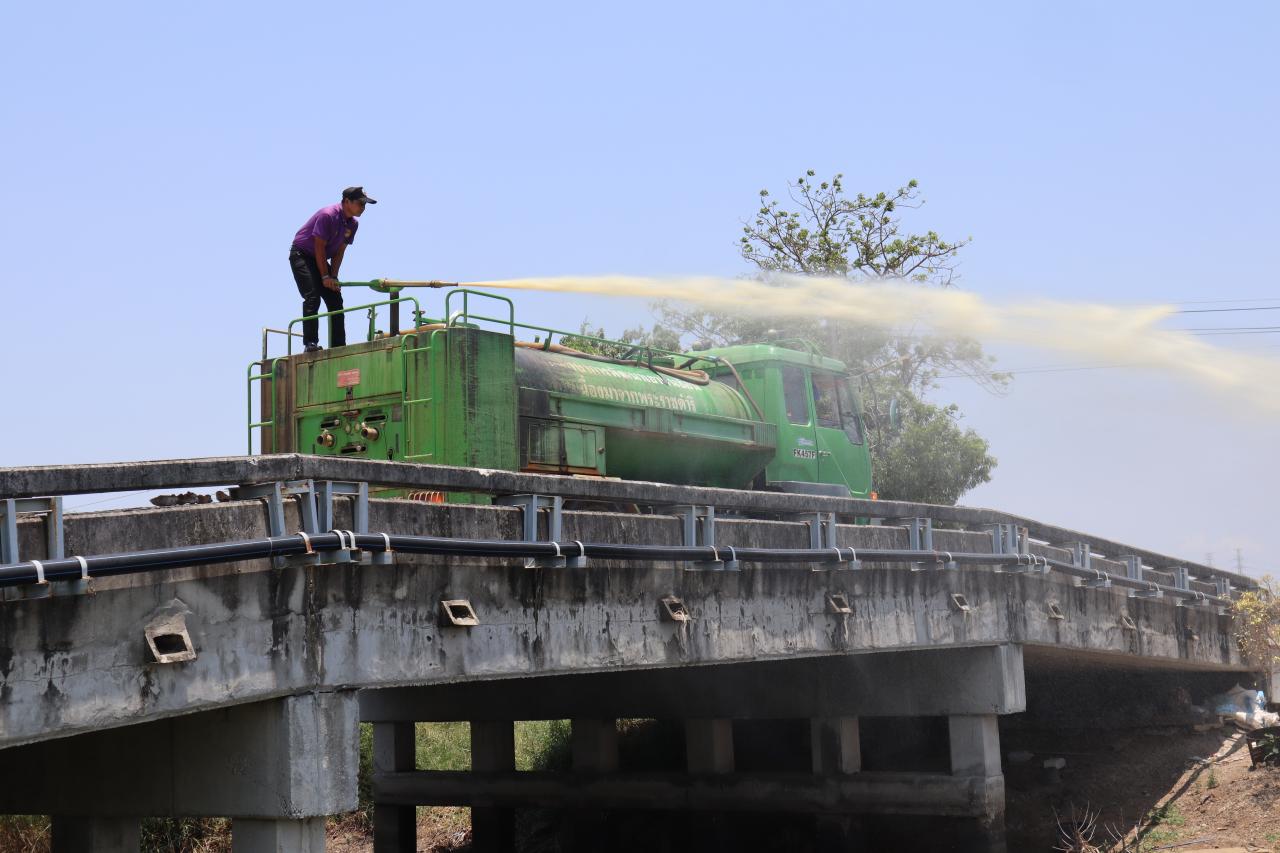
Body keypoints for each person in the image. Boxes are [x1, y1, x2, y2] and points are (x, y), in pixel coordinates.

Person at [289, 187, 377, 352]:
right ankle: (310, 343)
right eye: (360, 203)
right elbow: (319, 247)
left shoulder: (353, 224)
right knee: (313, 297)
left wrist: (333, 277)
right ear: (346, 202)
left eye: (365, 205)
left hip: (319, 258)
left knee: (335, 297)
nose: (363, 208)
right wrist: (324, 277)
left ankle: (338, 346)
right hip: (302, 255)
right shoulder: (328, 215)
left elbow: (339, 252)